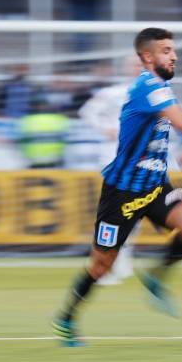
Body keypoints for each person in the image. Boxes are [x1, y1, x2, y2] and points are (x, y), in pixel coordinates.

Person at [51, 27, 182, 347]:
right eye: (167, 50)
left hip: (156, 186)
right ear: (147, 57)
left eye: (173, 50)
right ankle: (66, 317)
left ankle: (156, 278)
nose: (175, 55)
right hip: (123, 193)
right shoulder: (149, 86)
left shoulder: (163, 91)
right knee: (102, 266)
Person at [78, 56, 142, 285]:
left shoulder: (158, 94)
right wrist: (106, 129)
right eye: (135, 64)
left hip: (140, 160)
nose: (138, 68)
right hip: (113, 159)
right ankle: (106, 264)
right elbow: (87, 111)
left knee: (135, 211)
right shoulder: (114, 92)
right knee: (114, 212)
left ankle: (122, 261)